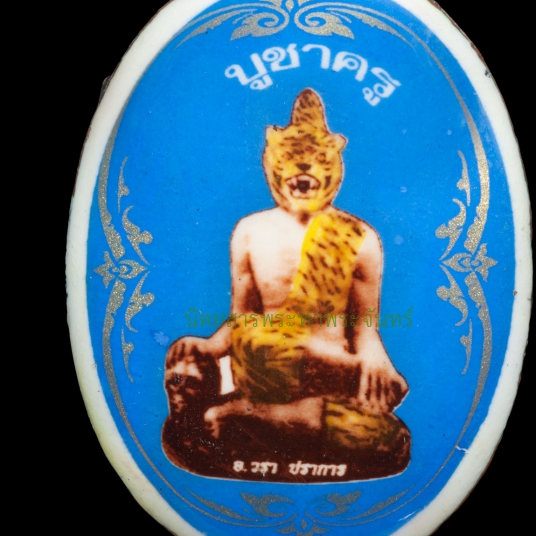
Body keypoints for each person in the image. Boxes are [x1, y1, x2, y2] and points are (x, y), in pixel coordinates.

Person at [163, 88, 409, 479]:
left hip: (329, 374)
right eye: (292, 159)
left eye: (316, 160)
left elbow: (365, 327)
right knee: (240, 343)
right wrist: (209, 347)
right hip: (264, 362)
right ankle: (267, 413)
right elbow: (243, 318)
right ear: (272, 165)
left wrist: (375, 362)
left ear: (334, 167)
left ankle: (251, 417)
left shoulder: (359, 237)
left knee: (386, 436)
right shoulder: (249, 231)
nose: (303, 169)